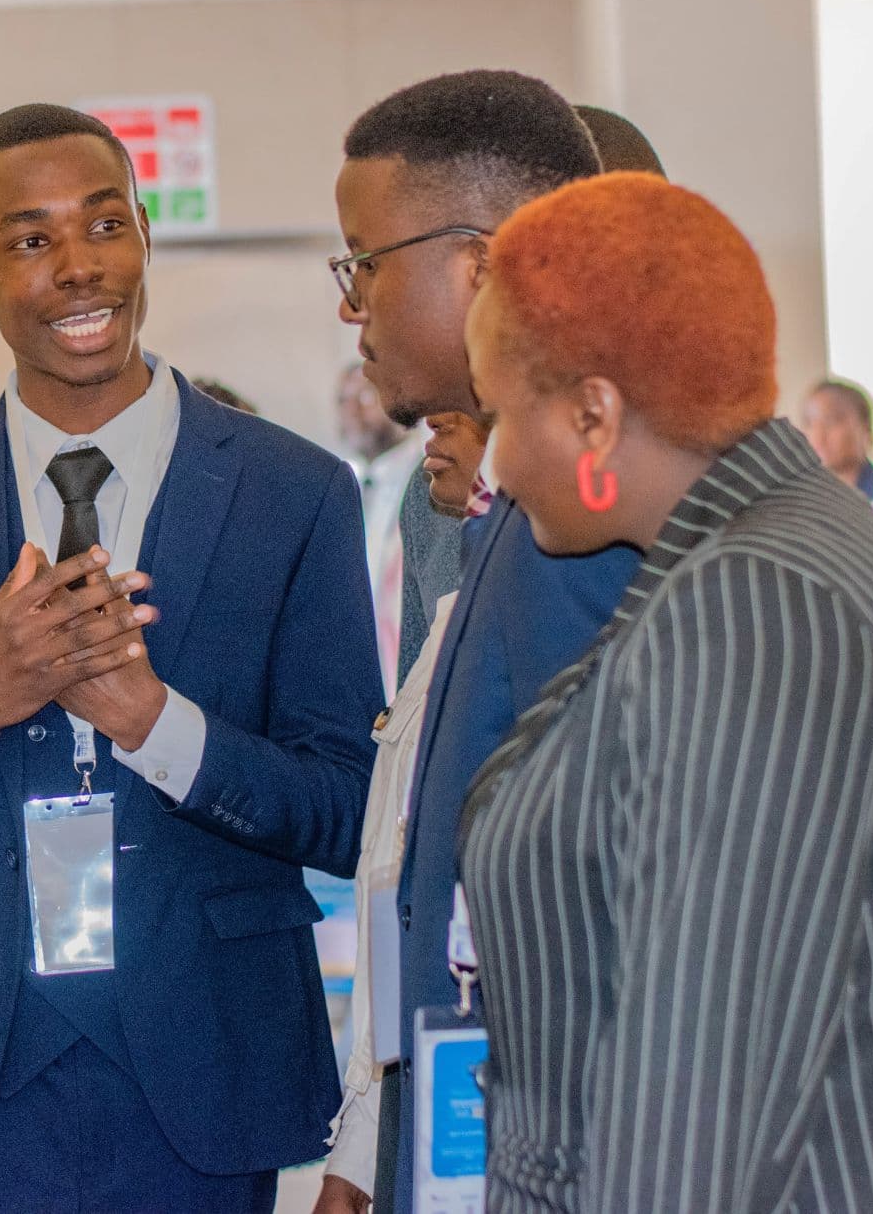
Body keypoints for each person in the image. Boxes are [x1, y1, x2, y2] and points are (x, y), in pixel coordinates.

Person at [455, 171, 873, 1212]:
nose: (492, 463)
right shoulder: (769, 549)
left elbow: (694, 1112)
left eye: (497, 415)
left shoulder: (755, 606)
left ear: (593, 415)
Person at [0, 103, 380, 1213]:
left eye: (104, 225)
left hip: (206, 1073)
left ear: (143, 235)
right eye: (28, 241)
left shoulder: (294, 494)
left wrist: (155, 724)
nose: (79, 269)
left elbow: (347, 811)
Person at [330, 68, 635, 1214]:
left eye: (364, 262)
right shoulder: (501, 506)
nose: (350, 304)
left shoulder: (588, 521)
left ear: (478, 262)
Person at [315, 409, 485, 1214]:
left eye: (371, 273)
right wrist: (363, 1131)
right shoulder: (431, 500)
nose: (355, 306)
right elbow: (399, 849)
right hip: (425, 1058)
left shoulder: (603, 543)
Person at [337, 361, 429, 692]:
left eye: (364, 395)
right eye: (342, 399)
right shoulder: (344, 484)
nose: (351, 409)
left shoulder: (429, 478)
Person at [800, 376, 873, 499]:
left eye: (831, 421)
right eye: (809, 423)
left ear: (866, 430)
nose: (818, 435)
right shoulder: (803, 500)